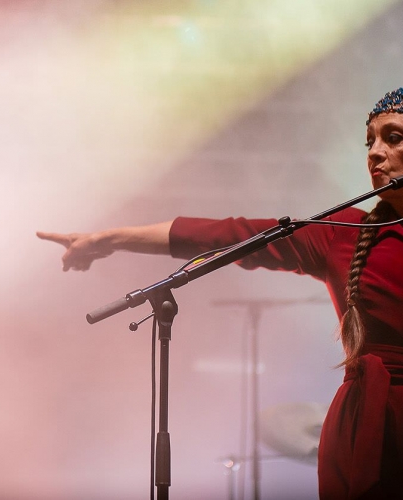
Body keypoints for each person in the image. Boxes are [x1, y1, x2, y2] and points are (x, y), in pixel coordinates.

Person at [38, 88, 403, 499]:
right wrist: (110, 238)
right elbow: (229, 235)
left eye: (392, 137)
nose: (374, 152)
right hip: (365, 429)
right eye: (369, 140)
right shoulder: (348, 232)